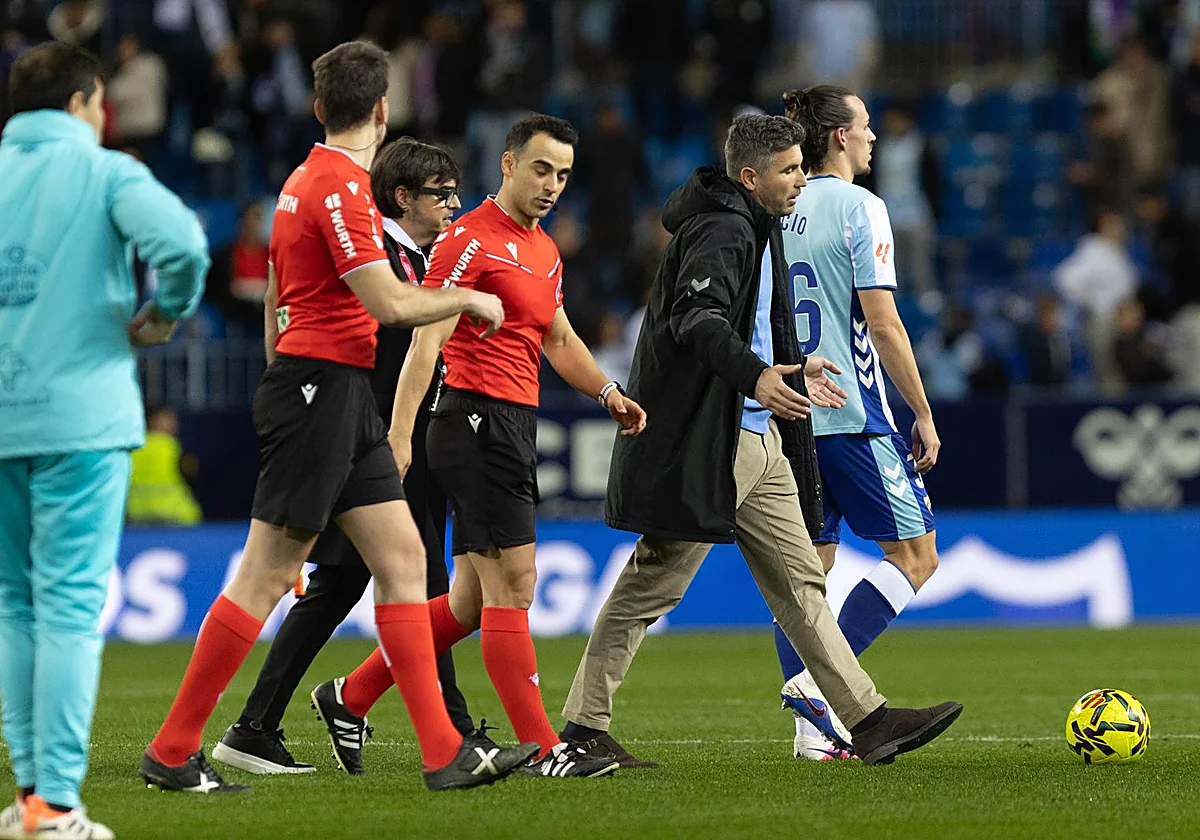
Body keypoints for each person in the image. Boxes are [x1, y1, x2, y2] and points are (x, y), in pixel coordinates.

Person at [138, 40, 539, 796]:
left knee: (401, 562)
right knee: (267, 575)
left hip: (334, 390)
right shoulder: (339, 188)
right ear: (383, 109)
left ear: (320, 107)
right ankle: (172, 748)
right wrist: (468, 298)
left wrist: (282, 371)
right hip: (321, 389)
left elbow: (272, 300)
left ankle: (442, 752)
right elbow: (389, 303)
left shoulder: (303, 181)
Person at [558, 113, 961, 769]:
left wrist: (790, 365)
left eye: (803, 165)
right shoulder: (724, 228)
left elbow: (746, 328)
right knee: (650, 587)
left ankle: (867, 720)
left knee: (802, 586)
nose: (803, 179)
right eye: (790, 170)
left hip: (754, 434)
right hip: (712, 443)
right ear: (751, 176)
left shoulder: (755, 225)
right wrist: (759, 375)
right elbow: (697, 319)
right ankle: (580, 732)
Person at [312, 113, 647, 780]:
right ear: (509, 164)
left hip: (510, 425)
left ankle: (348, 697)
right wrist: (400, 437)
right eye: (542, 168)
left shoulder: (543, 250)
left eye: (564, 175)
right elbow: (425, 340)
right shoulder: (467, 240)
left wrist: (608, 393)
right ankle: (546, 749)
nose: (552, 185)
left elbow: (557, 340)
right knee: (514, 586)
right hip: (473, 422)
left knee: (470, 600)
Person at [209, 138, 496, 776]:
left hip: (377, 437)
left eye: (454, 191)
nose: (453, 203)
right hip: (373, 438)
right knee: (416, 580)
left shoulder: (411, 255)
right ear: (402, 197)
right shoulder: (379, 252)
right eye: (439, 192)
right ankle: (446, 728)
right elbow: (285, 294)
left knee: (346, 583)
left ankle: (258, 724)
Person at [0, 42, 209, 839]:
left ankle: (31, 801)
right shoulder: (105, 171)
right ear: (88, 102)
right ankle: (54, 802)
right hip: (79, 420)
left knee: (13, 606)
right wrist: (163, 315)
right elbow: (184, 249)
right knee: (67, 609)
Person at [771, 86, 944, 760]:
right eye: (866, 126)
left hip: (787, 415)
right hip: (851, 413)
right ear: (839, 137)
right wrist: (922, 412)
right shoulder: (859, 207)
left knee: (806, 578)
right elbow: (883, 321)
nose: (874, 137)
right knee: (917, 556)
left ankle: (813, 736)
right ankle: (820, 684)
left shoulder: (773, 210)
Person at [126, 406, 203, 526]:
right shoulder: (171, 446)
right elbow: (190, 470)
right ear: (152, 420)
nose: (174, 423)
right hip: (175, 516)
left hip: (137, 517)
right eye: (167, 418)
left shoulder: (132, 447)